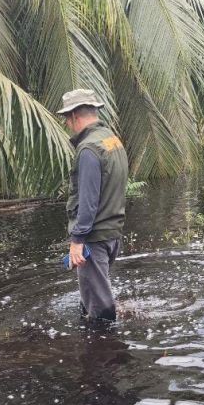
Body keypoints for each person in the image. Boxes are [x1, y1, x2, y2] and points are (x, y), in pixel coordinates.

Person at [58, 89, 129, 322]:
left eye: (67, 119)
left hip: (94, 238)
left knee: (100, 312)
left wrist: (77, 241)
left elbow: (88, 202)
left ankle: (105, 354)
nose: (68, 124)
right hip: (112, 233)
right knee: (91, 297)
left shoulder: (88, 149)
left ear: (75, 116)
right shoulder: (111, 140)